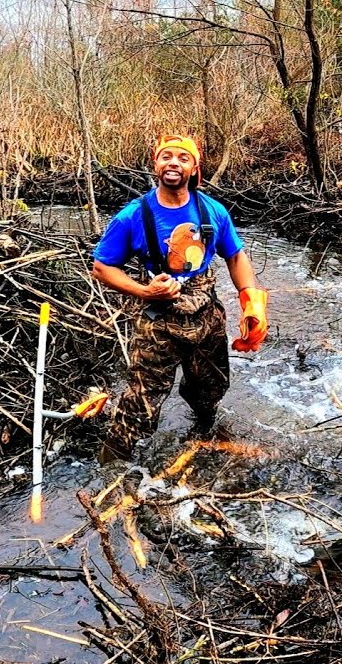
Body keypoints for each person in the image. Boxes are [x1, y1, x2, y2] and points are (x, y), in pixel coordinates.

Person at [91, 135, 268, 463]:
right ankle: (111, 470)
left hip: (207, 316)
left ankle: (204, 431)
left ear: (194, 168)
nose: (173, 162)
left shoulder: (213, 210)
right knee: (138, 406)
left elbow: (236, 256)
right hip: (158, 320)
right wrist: (144, 291)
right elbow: (102, 268)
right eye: (166, 157)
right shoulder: (132, 216)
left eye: (182, 158)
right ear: (156, 165)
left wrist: (251, 302)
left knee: (211, 389)